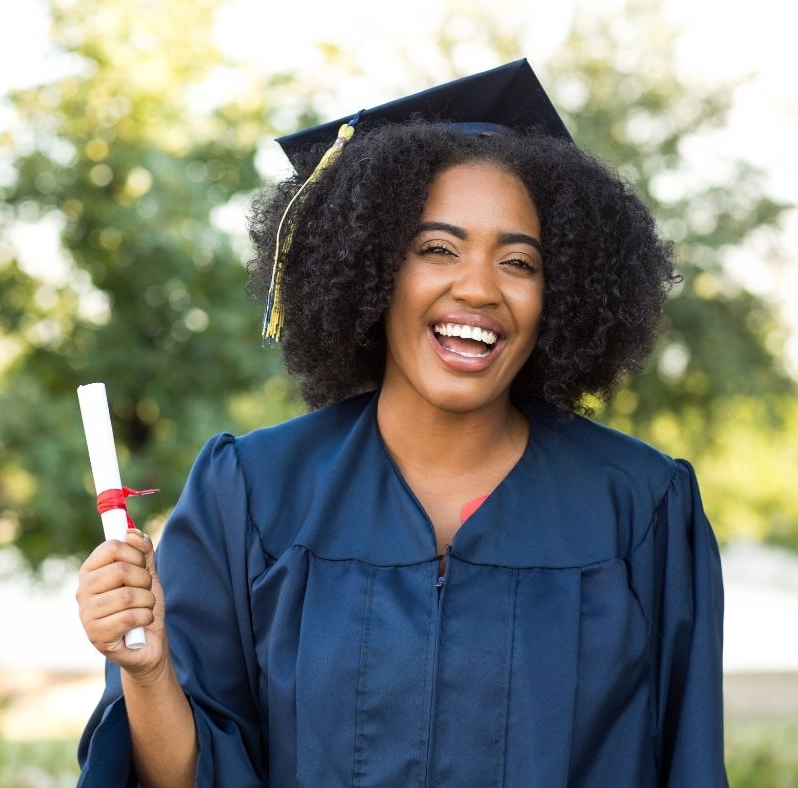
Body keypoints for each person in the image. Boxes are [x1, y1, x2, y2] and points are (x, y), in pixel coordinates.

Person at [75, 60, 727, 787]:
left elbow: (690, 765)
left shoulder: (639, 508)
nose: (478, 287)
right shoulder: (254, 496)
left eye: (520, 261)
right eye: (437, 249)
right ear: (372, 268)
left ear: (560, 293)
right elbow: (190, 775)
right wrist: (148, 669)